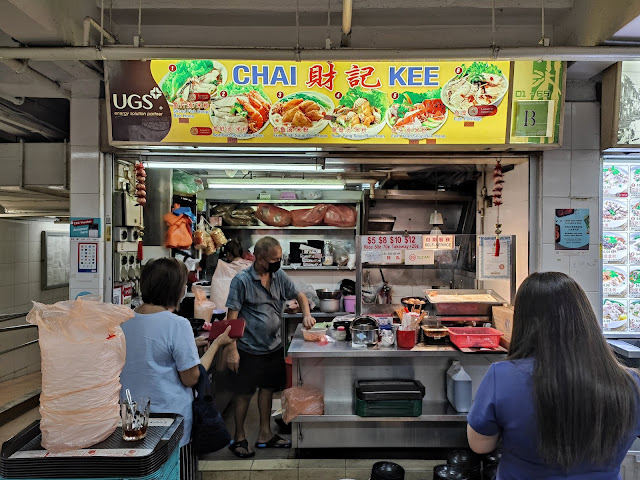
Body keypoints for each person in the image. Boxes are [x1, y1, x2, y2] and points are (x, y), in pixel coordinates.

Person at [467, 272, 640, 479]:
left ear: (523, 321)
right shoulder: (630, 383)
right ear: (586, 318)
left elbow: (480, 445)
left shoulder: (502, 377)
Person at [120, 257, 233, 474]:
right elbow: (190, 377)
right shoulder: (177, 324)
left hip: (132, 419)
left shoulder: (124, 321)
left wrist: (191, 344)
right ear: (174, 289)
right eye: (183, 285)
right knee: (175, 472)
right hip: (170, 422)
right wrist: (217, 344)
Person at [225, 236, 316, 458]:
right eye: (273, 259)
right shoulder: (242, 281)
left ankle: (265, 434)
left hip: (273, 345)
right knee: (244, 394)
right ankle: (239, 438)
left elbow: (300, 295)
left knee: (267, 390)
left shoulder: (278, 276)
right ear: (259, 258)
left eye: (280, 258)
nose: (278, 262)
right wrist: (232, 350)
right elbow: (232, 318)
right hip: (248, 347)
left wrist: (306, 314)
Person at [209, 239, 253, 311]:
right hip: (247, 311)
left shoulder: (222, 268)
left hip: (227, 313)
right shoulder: (249, 266)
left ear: (228, 254)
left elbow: (218, 293)